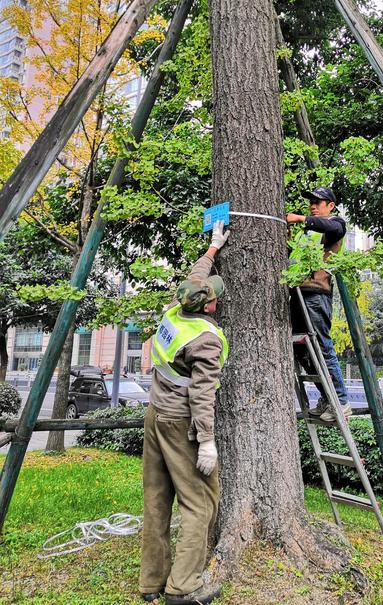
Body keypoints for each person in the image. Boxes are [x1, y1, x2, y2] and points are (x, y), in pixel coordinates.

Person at [139, 220, 230, 605]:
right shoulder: (206, 339)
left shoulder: (176, 311)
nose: (219, 298)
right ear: (209, 304)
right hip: (180, 424)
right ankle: (183, 587)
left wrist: (212, 248)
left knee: (157, 499)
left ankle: (151, 583)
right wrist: (206, 441)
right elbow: (202, 395)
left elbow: (195, 279)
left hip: (155, 414)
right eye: (216, 296)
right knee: (201, 502)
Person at [287, 186, 352, 422]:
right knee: (304, 352)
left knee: (322, 348)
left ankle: (342, 401)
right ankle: (328, 397)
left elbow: (332, 227)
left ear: (330, 205)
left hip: (316, 295)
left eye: (319, 201)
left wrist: (302, 219)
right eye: (310, 202)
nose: (313, 205)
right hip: (298, 294)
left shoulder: (335, 225)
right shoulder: (307, 233)